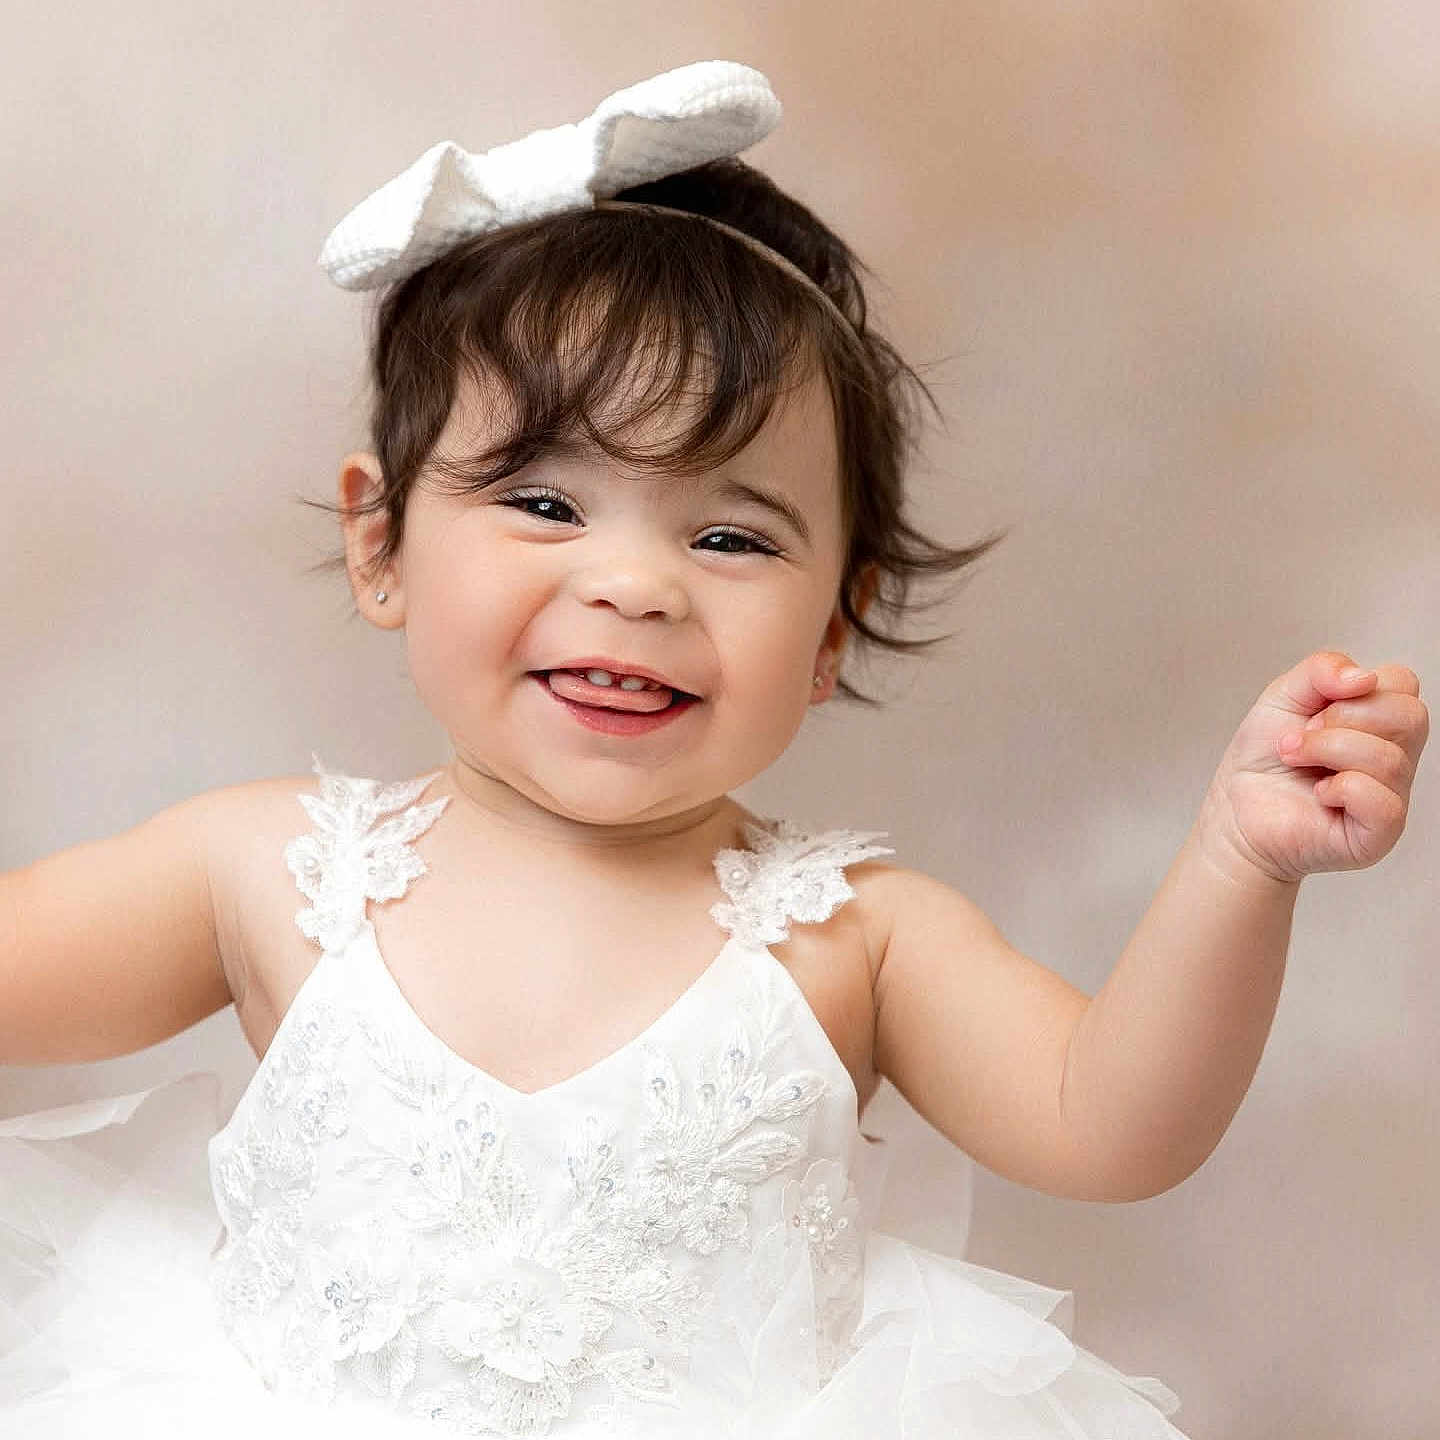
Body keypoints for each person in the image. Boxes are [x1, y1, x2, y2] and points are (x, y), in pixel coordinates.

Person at [0, 60, 1427, 1440]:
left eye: (731, 536)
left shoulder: (857, 939)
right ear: (380, 541)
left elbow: (1112, 1128)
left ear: (835, 624)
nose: (636, 585)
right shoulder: (257, 868)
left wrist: (1242, 861)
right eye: (548, 505)